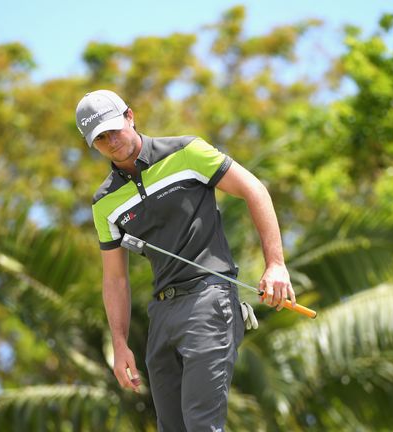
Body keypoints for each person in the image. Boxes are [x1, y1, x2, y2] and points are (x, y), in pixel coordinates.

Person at [75, 89, 295, 431]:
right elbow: (115, 279)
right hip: (161, 315)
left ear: (130, 116)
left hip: (209, 299)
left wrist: (276, 264)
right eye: (100, 138)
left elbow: (254, 189)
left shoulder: (186, 151)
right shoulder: (104, 202)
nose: (111, 141)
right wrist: (119, 345)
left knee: (201, 425)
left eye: (113, 129)